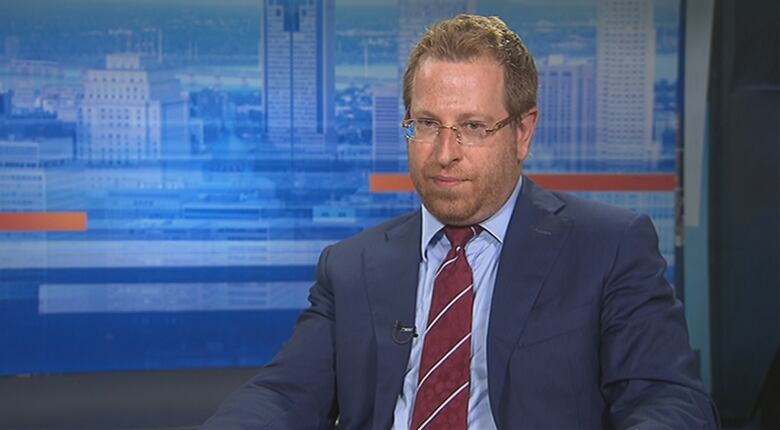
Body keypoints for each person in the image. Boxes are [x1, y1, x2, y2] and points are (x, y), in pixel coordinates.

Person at [203, 14, 718, 429]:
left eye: (473, 127)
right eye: (427, 124)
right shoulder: (351, 265)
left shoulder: (609, 248)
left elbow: (669, 402)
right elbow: (284, 393)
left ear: (523, 132)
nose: (444, 153)